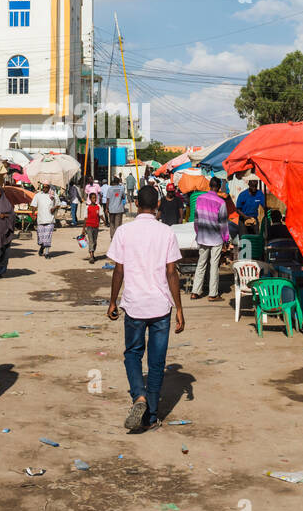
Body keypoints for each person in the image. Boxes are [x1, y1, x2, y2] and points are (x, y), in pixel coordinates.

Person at [106, 186, 185, 431]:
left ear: (136, 203)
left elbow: (118, 270)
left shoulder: (124, 231)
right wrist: (179, 308)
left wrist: (112, 301)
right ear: (158, 204)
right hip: (161, 306)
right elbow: (172, 272)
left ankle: (138, 395)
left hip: (135, 304)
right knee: (157, 362)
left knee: (132, 353)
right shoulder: (166, 233)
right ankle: (151, 416)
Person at [191, 176, 230, 300]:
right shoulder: (221, 202)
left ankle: (195, 291)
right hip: (216, 238)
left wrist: (198, 232)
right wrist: (226, 239)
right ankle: (213, 294)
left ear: (209, 186)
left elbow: (196, 219)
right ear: (218, 187)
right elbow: (223, 224)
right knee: (214, 266)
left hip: (202, 237)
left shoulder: (199, 199)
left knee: (201, 264)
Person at [30, 183, 57, 259]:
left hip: (50, 220)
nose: (45, 188)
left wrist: (54, 208)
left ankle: (47, 253)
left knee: (48, 237)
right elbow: (33, 205)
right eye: (43, 187)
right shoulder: (38, 195)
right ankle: (42, 247)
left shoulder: (53, 195)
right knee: (41, 238)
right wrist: (32, 214)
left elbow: (58, 204)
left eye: (46, 187)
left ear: (49, 188)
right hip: (40, 220)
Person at [83, 192, 102, 262]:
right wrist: (83, 229)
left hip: (96, 226)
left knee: (95, 241)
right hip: (89, 226)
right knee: (91, 241)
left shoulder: (98, 206)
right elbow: (85, 218)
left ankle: (93, 254)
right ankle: (91, 256)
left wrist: (106, 221)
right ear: (90, 199)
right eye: (93, 198)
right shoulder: (87, 207)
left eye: (95, 198)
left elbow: (101, 215)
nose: (94, 199)